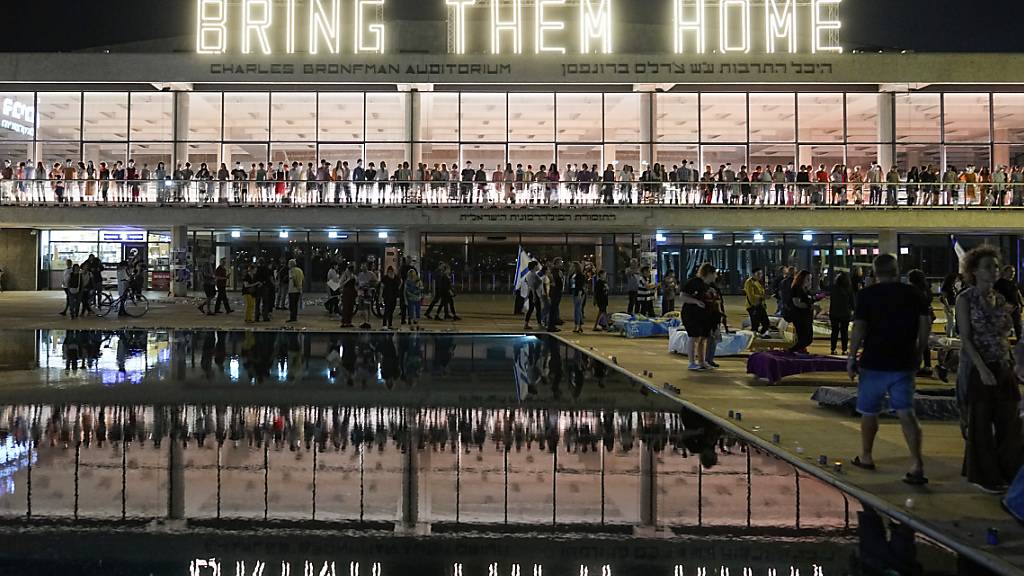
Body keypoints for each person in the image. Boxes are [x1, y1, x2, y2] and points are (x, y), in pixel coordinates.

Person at [847, 254, 930, 486]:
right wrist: (919, 351)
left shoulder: (867, 295)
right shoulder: (914, 293)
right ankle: (917, 463)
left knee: (869, 412)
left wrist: (851, 357)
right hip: (904, 361)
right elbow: (925, 325)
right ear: (897, 270)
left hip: (874, 361)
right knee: (906, 412)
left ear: (875, 272)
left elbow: (859, 328)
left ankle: (866, 456)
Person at [956, 246, 1024, 493]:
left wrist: (1013, 362)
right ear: (974, 271)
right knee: (981, 424)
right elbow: (966, 338)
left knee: (1010, 421)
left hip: (1003, 363)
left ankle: (1007, 469)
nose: (994, 271)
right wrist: (982, 368)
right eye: (988, 267)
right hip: (979, 366)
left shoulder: (1000, 299)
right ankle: (984, 475)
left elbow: (1005, 333)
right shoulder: (965, 299)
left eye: (996, 266)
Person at [680, 263, 717, 371]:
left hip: (705, 315)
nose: (715, 276)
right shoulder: (694, 282)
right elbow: (682, 296)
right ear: (708, 273)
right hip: (691, 314)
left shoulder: (710, 285)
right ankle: (691, 362)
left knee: (703, 337)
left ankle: (702, 361)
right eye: (714, 274)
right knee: (693, 337)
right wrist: (695, 301)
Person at [907, 269, 936, 376]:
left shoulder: (913, 291)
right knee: (924, 342)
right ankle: (927, 365)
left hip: (917, 317)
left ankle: (916, 365)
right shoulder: (926, 289)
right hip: (928, 316)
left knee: (915, 341)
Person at [994, 264, 1023, 341]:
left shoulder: (1013, 283)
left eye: (1014, 272)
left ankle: (1019, 341)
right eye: (1011, 271)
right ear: (1005, 272)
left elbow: (1017, 293)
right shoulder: (1000, 282)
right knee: (1004, 326)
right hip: (1005, 308)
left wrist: (1021, 304)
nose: (1013, 273)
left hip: (1015, 307)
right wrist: (1002, 303)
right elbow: (994, 293)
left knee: (1018, 325)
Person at [788, 270, 815, 354]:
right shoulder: (796, 288)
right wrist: (809, 306)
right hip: (799, 316)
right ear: (802, 279)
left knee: (808, 337)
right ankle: (792, 350)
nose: (809, 281)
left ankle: (798, 350)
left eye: (810, 279)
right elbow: (797, 303)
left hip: (807, 316)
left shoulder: (806, 290)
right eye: (808, 279)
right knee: (804, 337)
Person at [829, 271, 855, 355]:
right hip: (845, 313)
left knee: (834, 332)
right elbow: (852, 302)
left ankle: (833, 349)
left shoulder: (834, 288)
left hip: (834, 313)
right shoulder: (849, 289)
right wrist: (853, 310)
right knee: (844, 332)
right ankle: (844, 350)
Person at [744, 268, 771, 336]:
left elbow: (760, 292)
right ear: (753, 274)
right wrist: (762, 297)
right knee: (755, 324)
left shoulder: (757, 282)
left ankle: (761, 335)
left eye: (761, 274)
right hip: (753, 306)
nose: (760, 275)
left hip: (759, 305)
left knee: (765, 323)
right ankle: (754, 337)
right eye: (758, 274)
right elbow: (751, 295)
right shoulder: (749, 282)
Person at [522, 261, 542, 330]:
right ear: (534, 266)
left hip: (533, 293)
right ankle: (539, 324)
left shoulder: (532, 274)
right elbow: (532, 286)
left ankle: (526, 324)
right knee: (538, 308)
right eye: (537, 265)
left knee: (531, 308)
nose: (538, 266)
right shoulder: (532, 274)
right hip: (533, 293)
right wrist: (534, 296)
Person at [546, 259, 564, 332]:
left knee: (554, 309)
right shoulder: (554, 271)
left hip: (556, 292)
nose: (561, 264)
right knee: (553, 309)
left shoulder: (557, 271)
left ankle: (553, 324)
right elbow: (555, 282)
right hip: (555, 292)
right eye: (560, 263)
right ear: (556, 263)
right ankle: (551, 326)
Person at [568, 261, 587, 334]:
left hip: (579, 292)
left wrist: (580, 292)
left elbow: (581, 284)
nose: (571, 267)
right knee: (578, 309)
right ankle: (580, 325)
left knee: (577, 309)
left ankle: (577, 325)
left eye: (572, 266)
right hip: (574, 291)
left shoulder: (580, 275)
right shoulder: (573, 274)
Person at [381, 265, 401, 330]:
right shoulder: (385, 278)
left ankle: (390, 324)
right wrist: (380, 297)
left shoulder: (396, 278)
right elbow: (382, 286)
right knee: (387, 310)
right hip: (387, 296)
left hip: (394, 296)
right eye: (389, 271)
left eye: (391, 271)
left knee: (391, 310)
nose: (390, 273)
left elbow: (399, 284)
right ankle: (384, 324)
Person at [286, 259, 304, 323]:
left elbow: (293, 279)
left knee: (292, 305)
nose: (288, 265)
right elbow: (302, 279)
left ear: (291, 264)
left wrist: (296, 286)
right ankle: (295, 317)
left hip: (292, 290)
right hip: (299, 290)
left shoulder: (291, 270)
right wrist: (300, 288)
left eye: (289, 264)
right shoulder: (300, 270)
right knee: (295, 305)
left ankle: (292, 318)